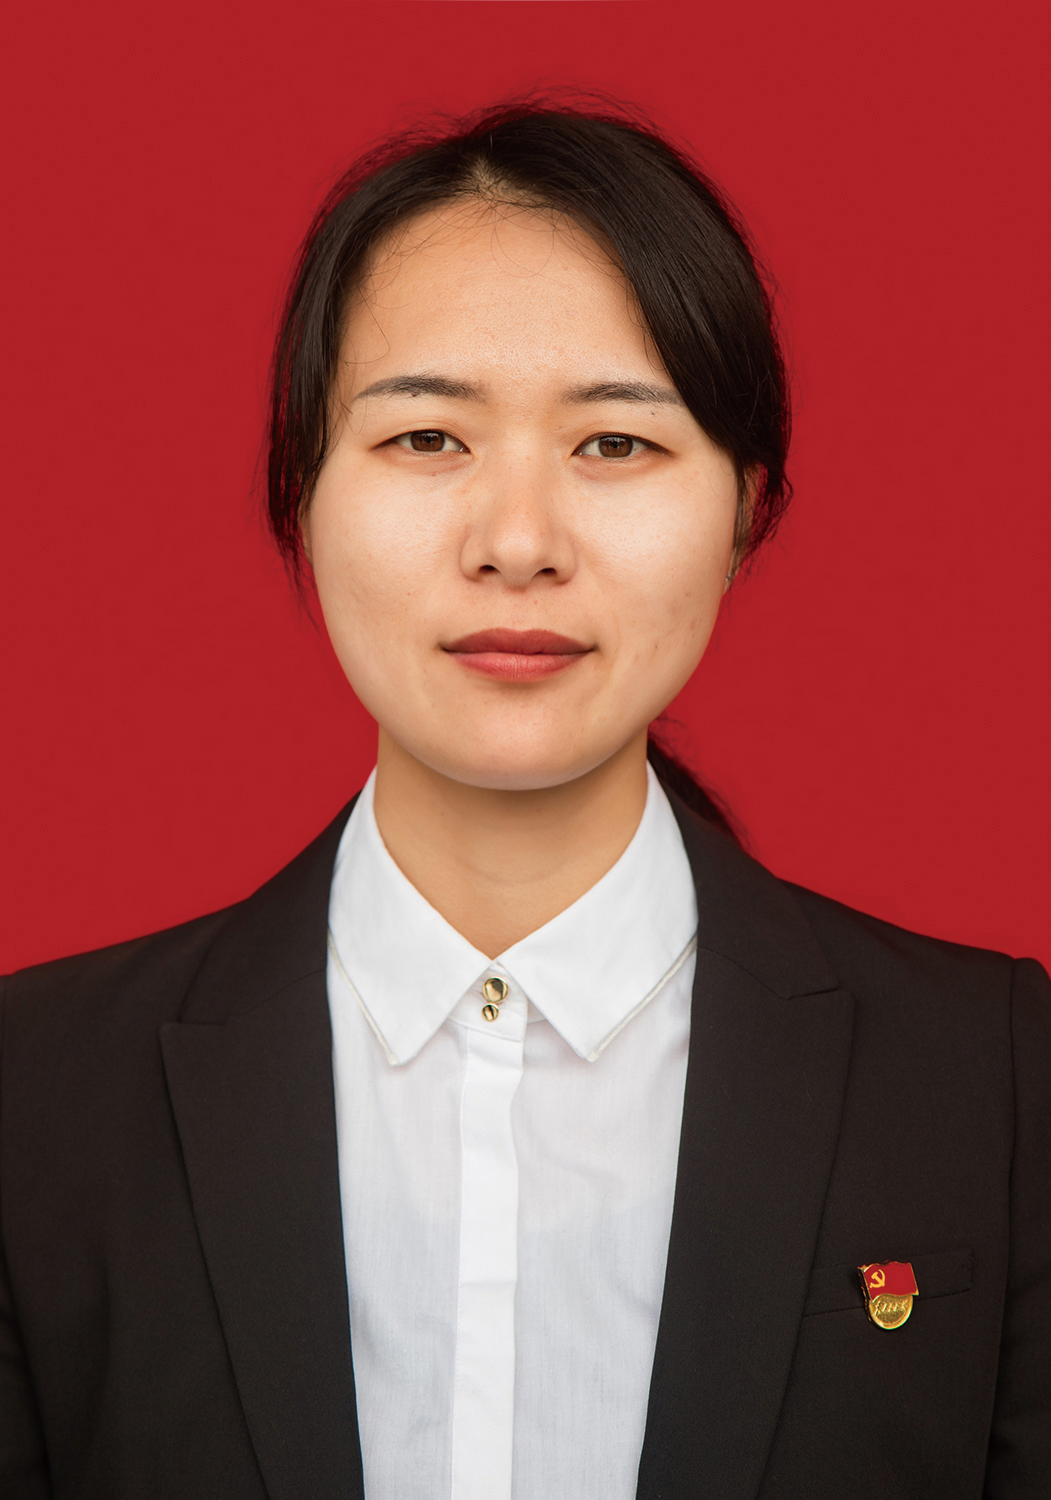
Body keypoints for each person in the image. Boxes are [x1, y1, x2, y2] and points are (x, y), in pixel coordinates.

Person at [0, 100, 1047, 1500]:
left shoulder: (996, 1081)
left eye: (614, 444)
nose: (517, 541)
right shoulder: (37, 1094)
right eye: (428, 437)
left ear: (745, 508)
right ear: (301, 492)